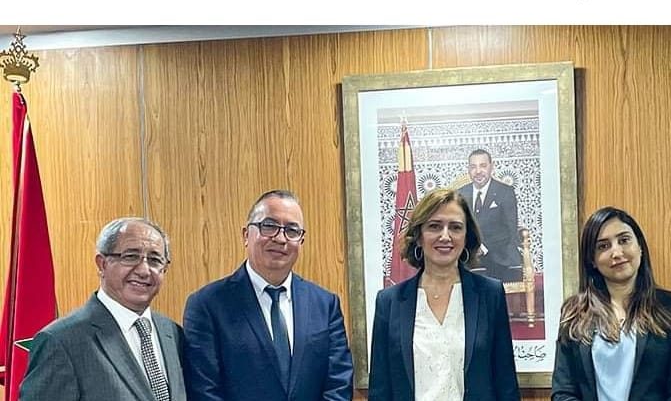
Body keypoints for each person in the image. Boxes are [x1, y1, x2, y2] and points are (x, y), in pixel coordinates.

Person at [182, 190, 353, 401]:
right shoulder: (207, 305)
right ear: (246, 235)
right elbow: (205, 392)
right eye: (269, 226)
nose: (280, 238)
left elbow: (339, 384)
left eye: (292, 230)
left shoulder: (325, 304)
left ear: (301, 241)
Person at [369, 187, 520, 401]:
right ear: (418, 236)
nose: (445, 236)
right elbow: (380, 389)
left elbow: (506, 385)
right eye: (434, 226)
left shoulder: (490, 295)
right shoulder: (390, 302)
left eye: (456, 227)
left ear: (466, 237)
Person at [19, 217, 186, 401]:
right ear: (102, 264)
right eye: (130, 257)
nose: (144, 271)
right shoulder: (61, 341)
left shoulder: (173, 333)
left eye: (155, 260)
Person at [551, 206, 671, 401]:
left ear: (640, 247)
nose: (616, 252)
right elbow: (563, 391)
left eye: (624, 240)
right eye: (603, 246)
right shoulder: (574, 313)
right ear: (592, 260)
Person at [457, 149, 523, 282]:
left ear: (491, 167)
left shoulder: (505, 192)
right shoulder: (460, 194)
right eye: (473, 167)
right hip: (469, 257)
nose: (478, 171)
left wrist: (483, 247)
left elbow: (510, 230)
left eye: (483, 166)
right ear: (468, 169)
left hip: (501, 257)